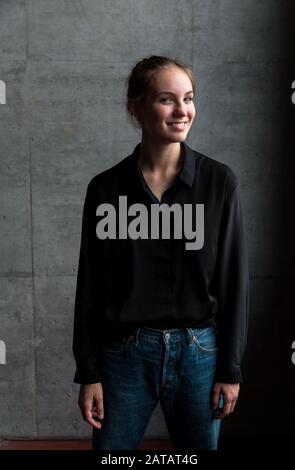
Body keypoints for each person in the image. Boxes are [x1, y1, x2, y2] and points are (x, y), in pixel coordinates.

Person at [72, 55, 249, 450]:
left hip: (199, 355)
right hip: (122, 357)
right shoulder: (104, 190)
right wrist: (88, 372)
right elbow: (91, 287)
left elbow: (234, 282)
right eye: (167, 99)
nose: (182, 110)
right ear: (137, 107)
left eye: (189, 98)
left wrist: (230, 369)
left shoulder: (220, 182)